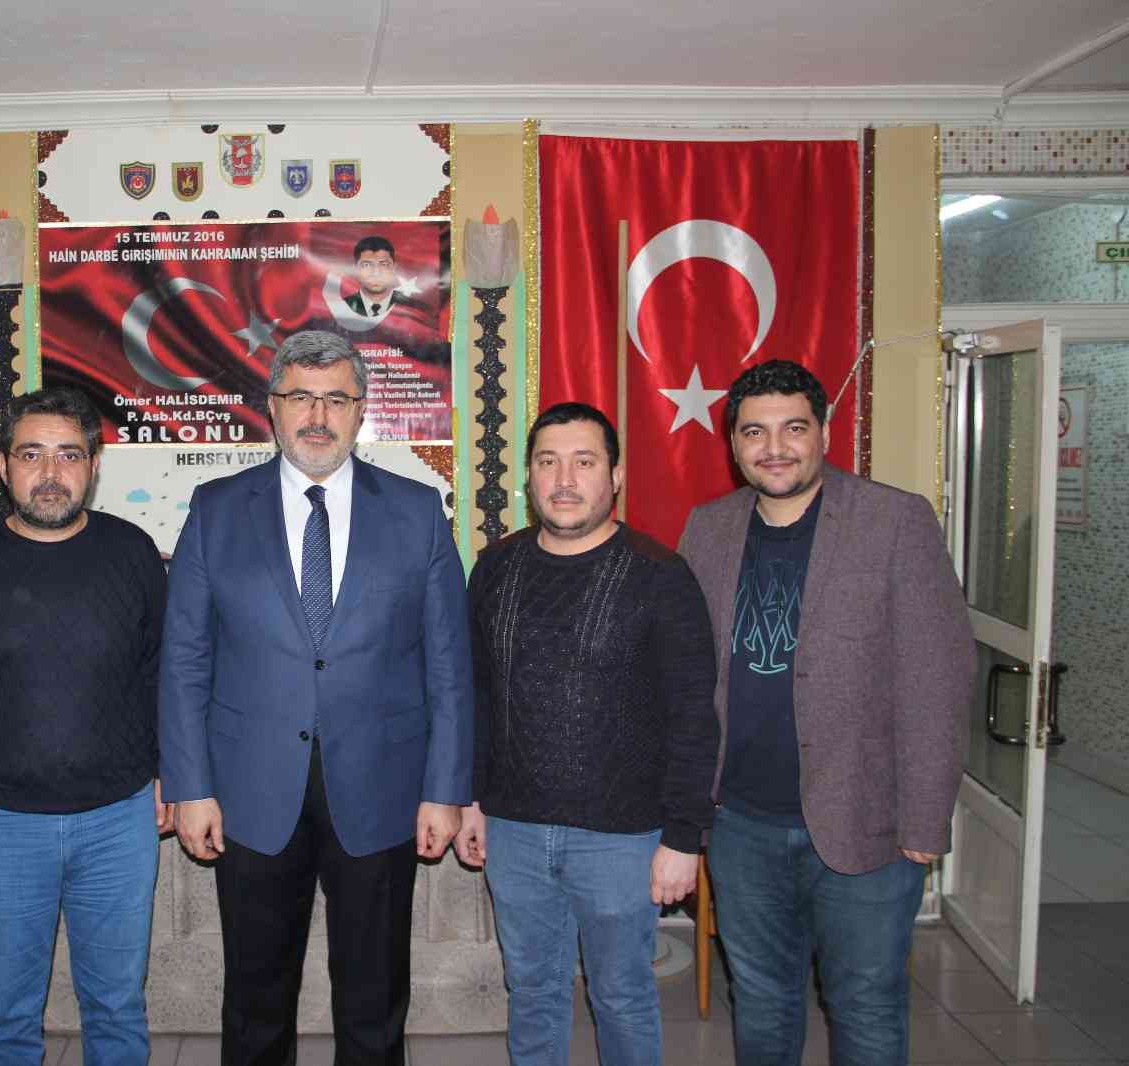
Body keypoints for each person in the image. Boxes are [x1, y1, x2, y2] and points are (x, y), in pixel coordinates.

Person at [159, 330, 472, 1066]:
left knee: (374, 999)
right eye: (301, 396)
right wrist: (191, 786)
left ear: (361, 411)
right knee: (255, 1001)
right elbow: (184, 660)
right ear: (272, 407)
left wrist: (445, 790)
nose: (318, 416)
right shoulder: (216, 509)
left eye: (336, 398)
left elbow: (449, 665)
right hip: (250, 790)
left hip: (384, 787)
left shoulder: (418, 511)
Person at [676, 360, 975, 1066]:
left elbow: (938, 676)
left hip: (867, 825)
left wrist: (925, 820)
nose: (774, 448)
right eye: (754, 432)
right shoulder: (708, 528)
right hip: (741, 823)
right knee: (760, 998)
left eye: (793, 428)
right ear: (733, 444)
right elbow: (686, 675)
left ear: (825, 433)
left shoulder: (894, 520)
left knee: (865, 1003)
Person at [0, 386, 170, 1066]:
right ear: (3, 465)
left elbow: (163, 673)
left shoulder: (132, 553)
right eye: (31, 454)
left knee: (117, 1008)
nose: (50, 473)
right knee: (6, 1016)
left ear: (93, 465)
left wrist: (171, 770)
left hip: (118, 824)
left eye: (68, 455)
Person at [456, 402, 719, 1066]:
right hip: (514, 831)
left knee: (622, 996)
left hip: (623, 839)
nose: (564, 480)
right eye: (548, 462)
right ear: (529, 476)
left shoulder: (661, 576)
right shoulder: (495, 569)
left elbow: (694, 716)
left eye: (583, 462)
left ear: (616, 476)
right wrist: (471, 798)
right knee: (532, 992)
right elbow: (476, 696)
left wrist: (683, 837)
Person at [345, 235, 402, 319]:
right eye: (366, 265)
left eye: (384, 264)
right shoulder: (340, 308)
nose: (376, 273)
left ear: (394, 268)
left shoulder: (415, 309)